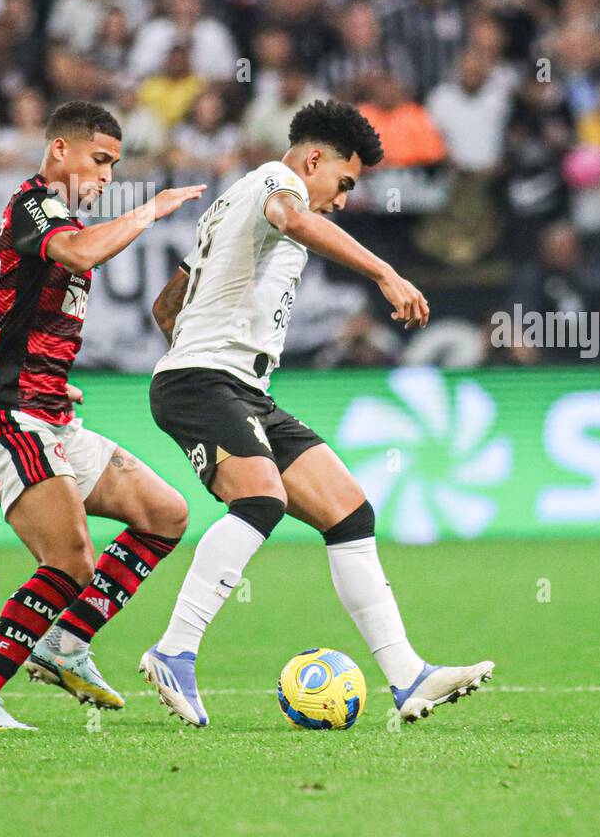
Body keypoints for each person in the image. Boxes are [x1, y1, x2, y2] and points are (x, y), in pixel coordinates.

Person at [142, 99, 493, 726]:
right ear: (312, 159)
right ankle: (175, 650)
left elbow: (168, 305)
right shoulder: (276, 184)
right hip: (205, 381)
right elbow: (294, 217)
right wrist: (385, 272)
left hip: (238, 387)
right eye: (343, 182)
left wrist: (196, 337)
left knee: (349, 511)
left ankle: (408, 678)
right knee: (260, 500)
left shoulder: (230, 204)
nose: (341, 199)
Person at [0, 101, 204, 730]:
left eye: (115, 164)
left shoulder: (59, 218)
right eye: (100, 160)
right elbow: (82, 256)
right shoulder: (34, 204)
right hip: (6, 420)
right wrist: (149, 210)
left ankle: (66, 644)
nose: (108, 176)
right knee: (72, 561)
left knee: (165, 515)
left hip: (49, 413)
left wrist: (56, 384)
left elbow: (24, 317)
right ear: (60, 150)